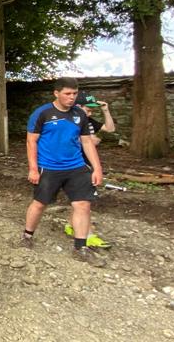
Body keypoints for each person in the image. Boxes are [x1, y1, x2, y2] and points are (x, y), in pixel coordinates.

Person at [19, 77, 106, 268]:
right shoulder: (42, 113)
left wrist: (97, 168)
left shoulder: (79, 115)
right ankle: (27, 235)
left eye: (74, 94)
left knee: (83, 204)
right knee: (40, 204)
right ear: (56, 93)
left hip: (76, 166)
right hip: (49, 167)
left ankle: (80, 248)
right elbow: (31, 141)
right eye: (67, 93)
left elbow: (87, 142)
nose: (72, 97)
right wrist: (33, 168)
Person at [64, 92, 116, 249]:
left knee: (80, 201)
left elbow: (110, 129)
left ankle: (71, 226)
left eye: (93, 109)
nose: (91, 112)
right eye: (89, 109)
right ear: (78, 107)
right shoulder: (72, 123)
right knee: (84, 202)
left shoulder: (89, 121)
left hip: (88, 165)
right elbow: (92, 141)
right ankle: (89, 235)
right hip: (77, 166)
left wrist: (106, 110)